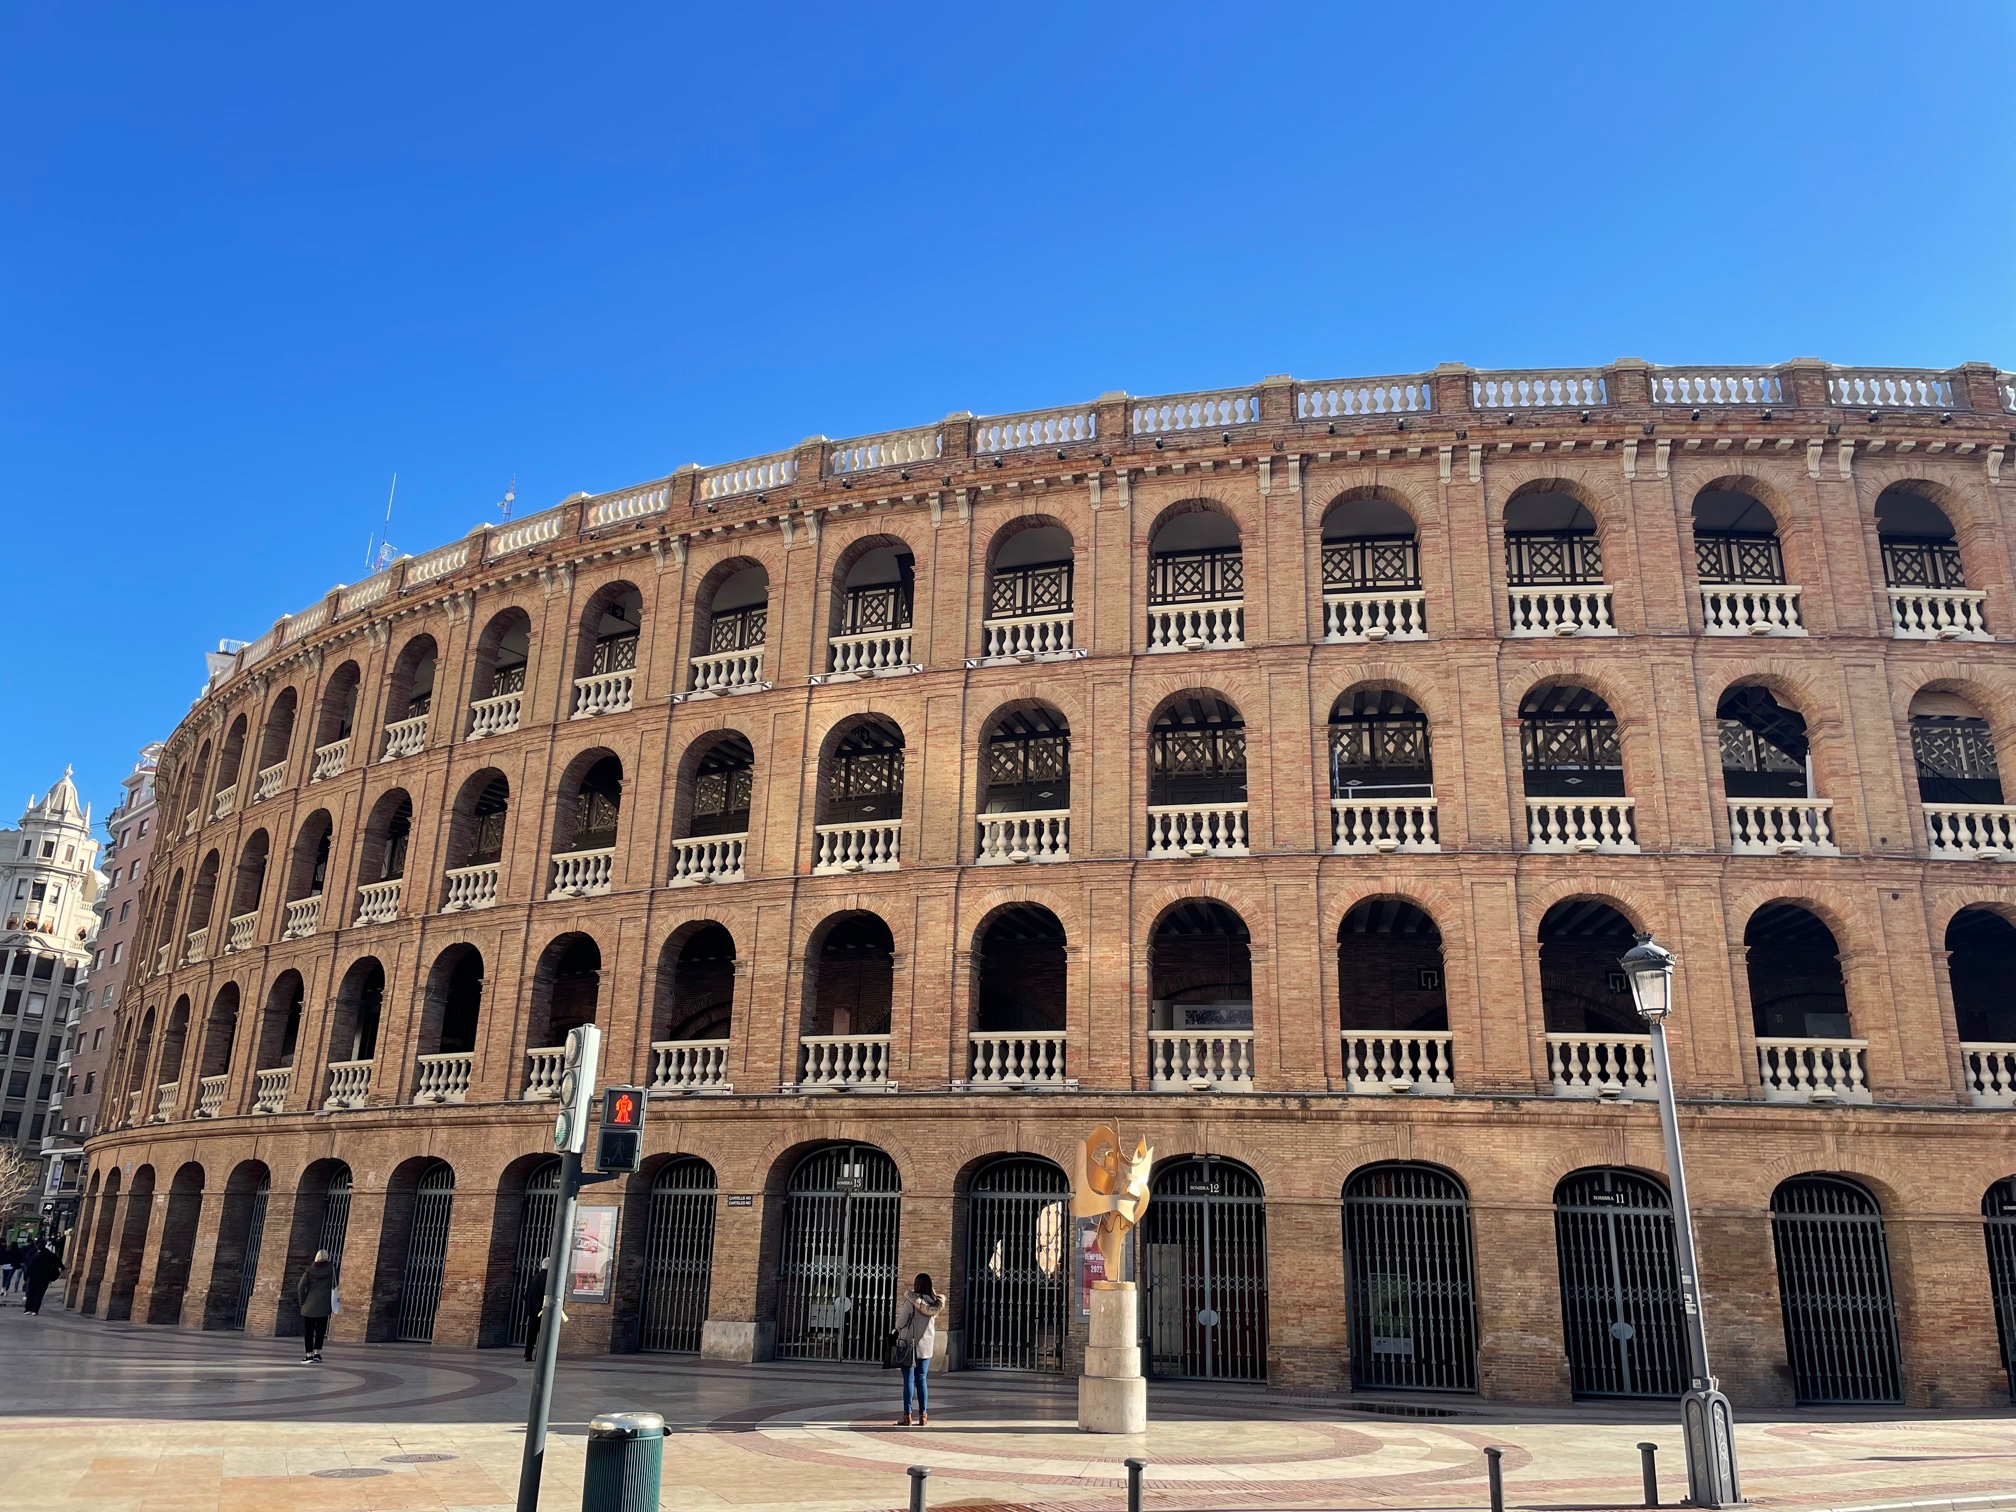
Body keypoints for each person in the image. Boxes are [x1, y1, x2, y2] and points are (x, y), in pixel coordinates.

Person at [890, 1272, 944, 1426]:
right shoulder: (934, 1304)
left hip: (909, 1346)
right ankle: (923, 1415)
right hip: (926, 1347)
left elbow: (900, 1322)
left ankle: (907, 1415)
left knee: (908, 1380)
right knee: (922, 1379)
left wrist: (897, 1328)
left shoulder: (911, 1303)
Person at [295, 1249, 336, 1363]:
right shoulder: (332, 1269)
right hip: (324, 1304)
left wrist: (302, 1301)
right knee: (320, 1331)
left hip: (309, 1305)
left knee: (308, 1332)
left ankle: (309, 1355)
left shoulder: (309, 1271)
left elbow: (300, 1287)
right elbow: (336, 1284)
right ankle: (318, 1354)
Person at [521, 1258, 551, 1362]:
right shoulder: (548, 1278)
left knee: (531, 1333)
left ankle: (527, 1354)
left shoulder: (534, 1277)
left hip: (532, 1310)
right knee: (544, 1333)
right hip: (543, 1310)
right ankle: (540, 1355)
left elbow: (526, 1296)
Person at [21, 1243, 62, 1316]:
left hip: (33, 1278)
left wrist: (25, 1277)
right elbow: (60, 1264)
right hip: (45, 1278)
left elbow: (29, 1268)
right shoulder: (50, 1256)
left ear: (37, 1247)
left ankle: (28, 1309)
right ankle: (35, 1310)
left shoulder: (35, 1257)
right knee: (39, 1295)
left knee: (31, 1293)